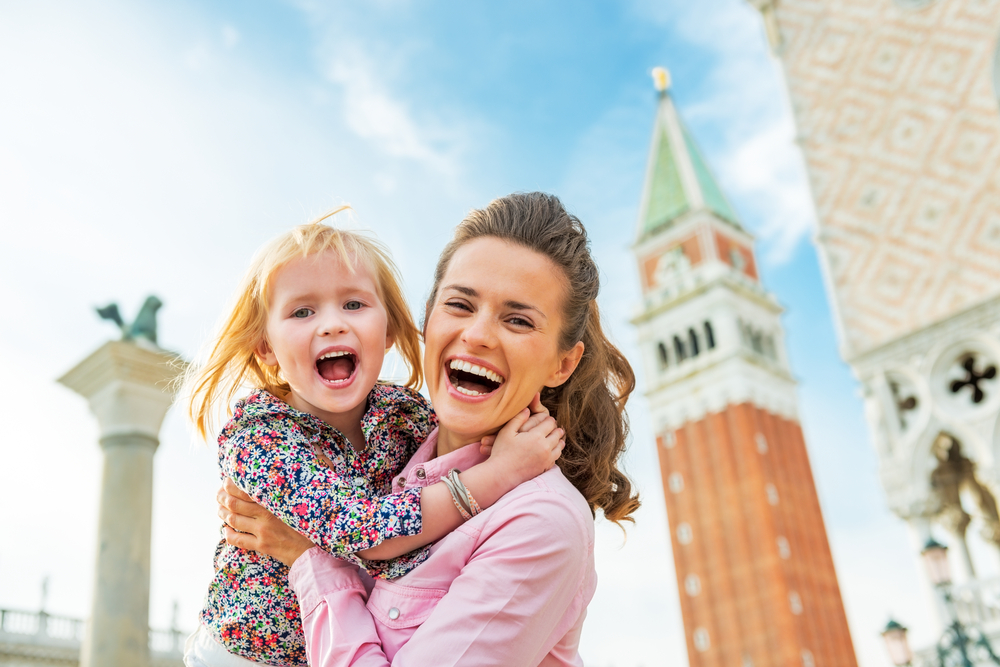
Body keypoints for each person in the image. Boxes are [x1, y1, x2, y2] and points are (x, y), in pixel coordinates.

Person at [218, 192, 640, 666]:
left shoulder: (541, 521)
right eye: (460, 304)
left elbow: (360, 539)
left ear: (563, 363)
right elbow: (365, 532)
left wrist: (307, 558)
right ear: (425, 320)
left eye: (518, 320)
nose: (478, 334)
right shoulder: (399, 442)